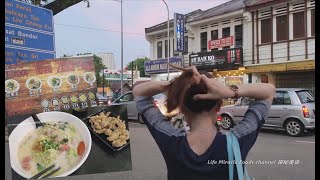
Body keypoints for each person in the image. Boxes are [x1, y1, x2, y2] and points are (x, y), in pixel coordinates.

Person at [132, 66, 275, 180]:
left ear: (181, 108)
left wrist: (174, 85)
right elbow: (269, 92)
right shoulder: (238, 141)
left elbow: (139, 93)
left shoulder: (171, 140)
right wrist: (230, 92)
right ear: (219, 106)